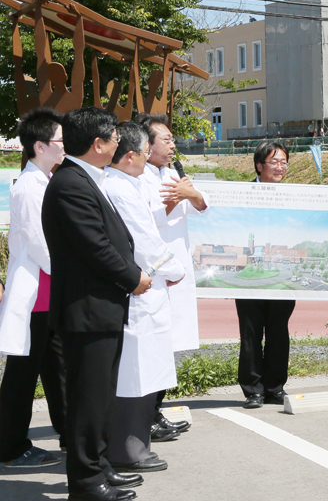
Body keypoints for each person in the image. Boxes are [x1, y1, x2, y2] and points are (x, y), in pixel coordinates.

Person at [43, 107, 152, 501]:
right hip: (86, 310)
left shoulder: (87, 177)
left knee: (101, 397)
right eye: (112, 138)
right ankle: (87, 483)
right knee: (88, 402)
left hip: (102, 308)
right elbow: (96, 248)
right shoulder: (71, 183)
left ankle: (100, 465)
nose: (117, 144)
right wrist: (133, 276)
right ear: (98, 144)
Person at [104, 122, 185, 474]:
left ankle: (130, 445)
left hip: (139, 290)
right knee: (136, 377)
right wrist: (175, 268)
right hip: (140, 291)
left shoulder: (122, 183)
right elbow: (147, 242)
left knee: (139, 374)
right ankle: (129, 449)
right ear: (134, 154)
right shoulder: (122, 189)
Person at [0, 108, 67, 468]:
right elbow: (40, 243)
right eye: (59, 140)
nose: (64, 146)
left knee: (54, 368)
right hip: (36, 295)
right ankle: (10, 446)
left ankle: (70, 433)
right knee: (22, 375)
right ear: (40, 146)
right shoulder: (29, 186)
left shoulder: (43, 181)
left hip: (47, 293)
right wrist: (68, 273)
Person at [134, 113, 208, 437]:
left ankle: (156, 411)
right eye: (165, 139)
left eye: (172, 138)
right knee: (154, 347)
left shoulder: (175, 173)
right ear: (147, 146)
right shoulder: (139, 178)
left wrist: (187, 194)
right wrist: (175, 200)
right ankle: (144, 416)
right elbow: (145, 225)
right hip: (156, 271)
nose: (172, 144)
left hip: (179, 271)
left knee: (171, 346)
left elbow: (203, 204)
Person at [236, 142, 296, 409]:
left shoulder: (295, 199)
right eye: (274, 162)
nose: (280, 167)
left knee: (278, 332)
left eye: (284, 162)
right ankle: (253, 390)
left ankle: (275, 387)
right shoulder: (242, 196)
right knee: (250, 333)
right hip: (249, 276)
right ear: (259, 166)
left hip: (281, 277)